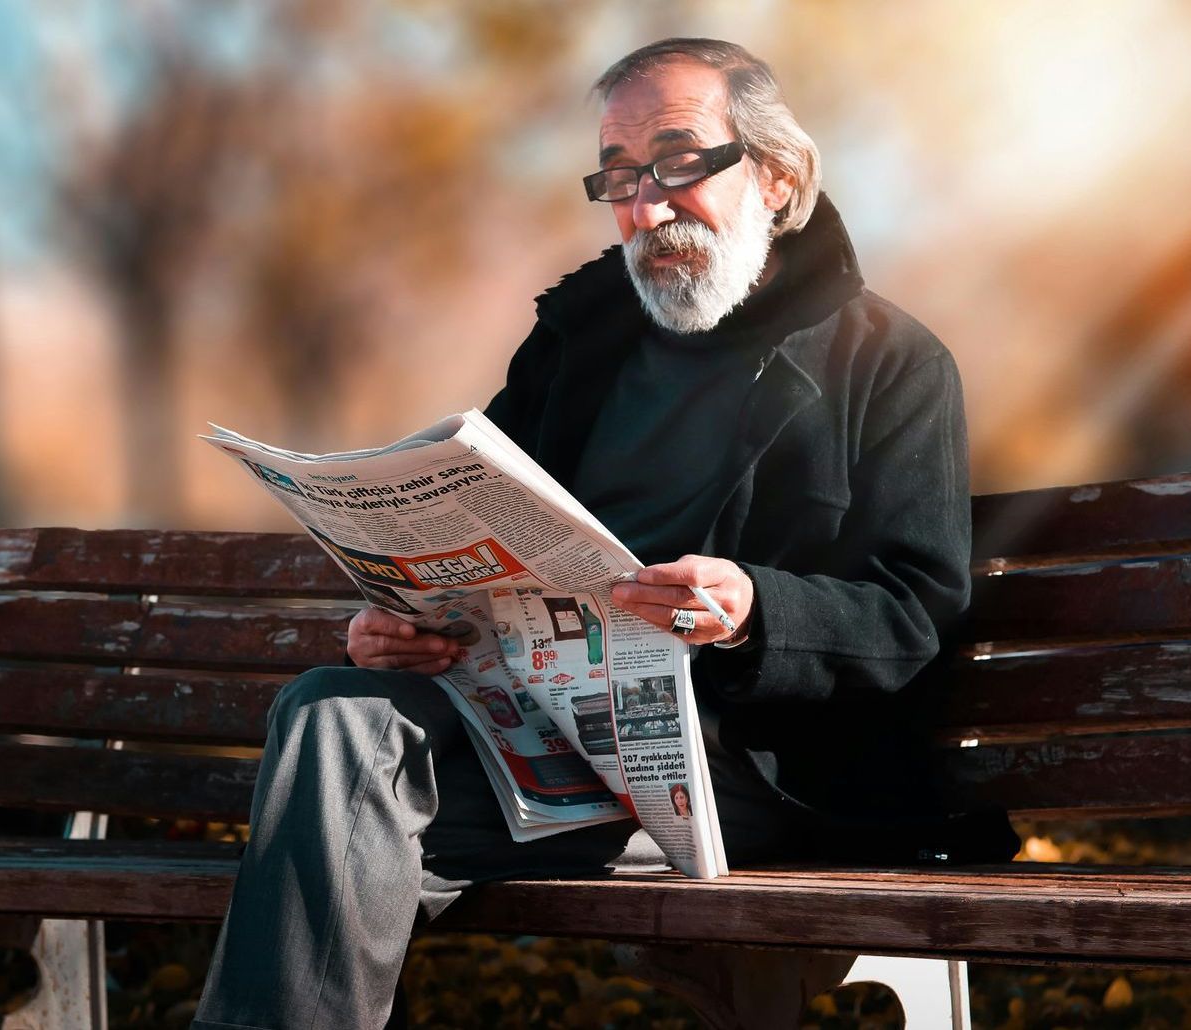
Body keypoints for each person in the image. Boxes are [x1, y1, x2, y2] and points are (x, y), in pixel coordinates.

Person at [192, 37, 1016, 1030]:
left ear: (780, 177)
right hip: (541, 742)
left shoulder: (892, 365)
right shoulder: (575, 352)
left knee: (344, 843)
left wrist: (756, 608)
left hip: (747, 766)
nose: (646, 205)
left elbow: (912, 616)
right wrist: (399, 621)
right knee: (336, 708)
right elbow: (472, 516)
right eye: (620, 176)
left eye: (677, 162)